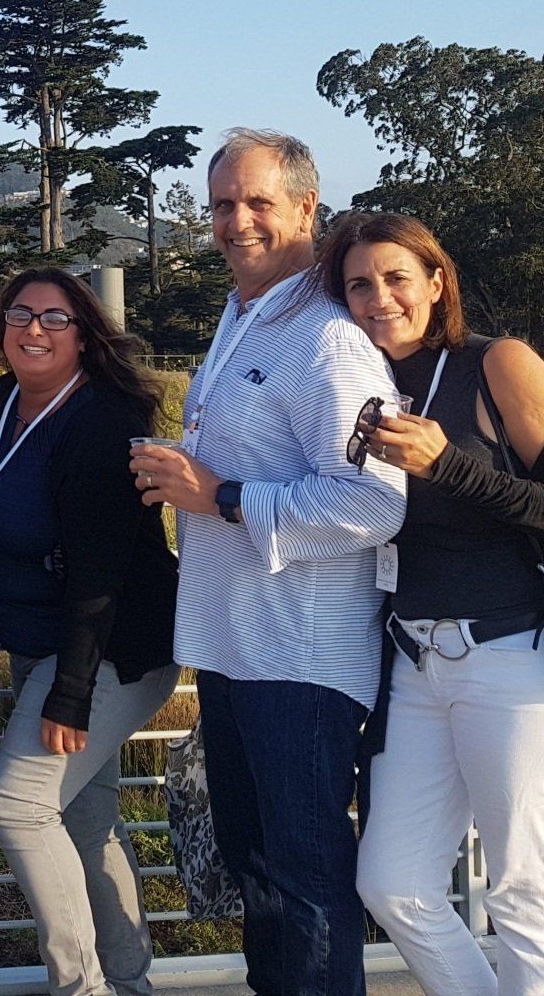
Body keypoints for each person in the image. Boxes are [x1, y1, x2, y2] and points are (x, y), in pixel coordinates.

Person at [128, 129, 405, 996]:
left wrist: (220, 495)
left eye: (257, 203)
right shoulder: (244, 313)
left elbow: (374, 501)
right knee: (262, 876)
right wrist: (193, 473)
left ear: (304, 209)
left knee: (307, 877)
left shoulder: (330, 340)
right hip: (237, 647)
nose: (236, 221)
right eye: (221, 205)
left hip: (305, 661)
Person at [323, 212, 544, 996]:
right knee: (393, 883)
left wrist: (448, 465)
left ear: (437, 281)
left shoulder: (497, 365)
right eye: (358, 284)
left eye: (396, 278)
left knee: (524, 892)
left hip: (521, 658)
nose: (379, 298)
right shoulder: (359, 386)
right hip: (416, 664)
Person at [0, 268, 179, 996]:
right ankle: (129, 985)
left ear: (87, 335)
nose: (33, 329)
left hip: (112, 651)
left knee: (20, 803)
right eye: (20, 314)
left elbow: (101, 572)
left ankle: (82, 988)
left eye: (55, 318)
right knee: (86, 819)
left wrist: (71, 691)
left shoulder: (102, 419)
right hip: (37, 647)